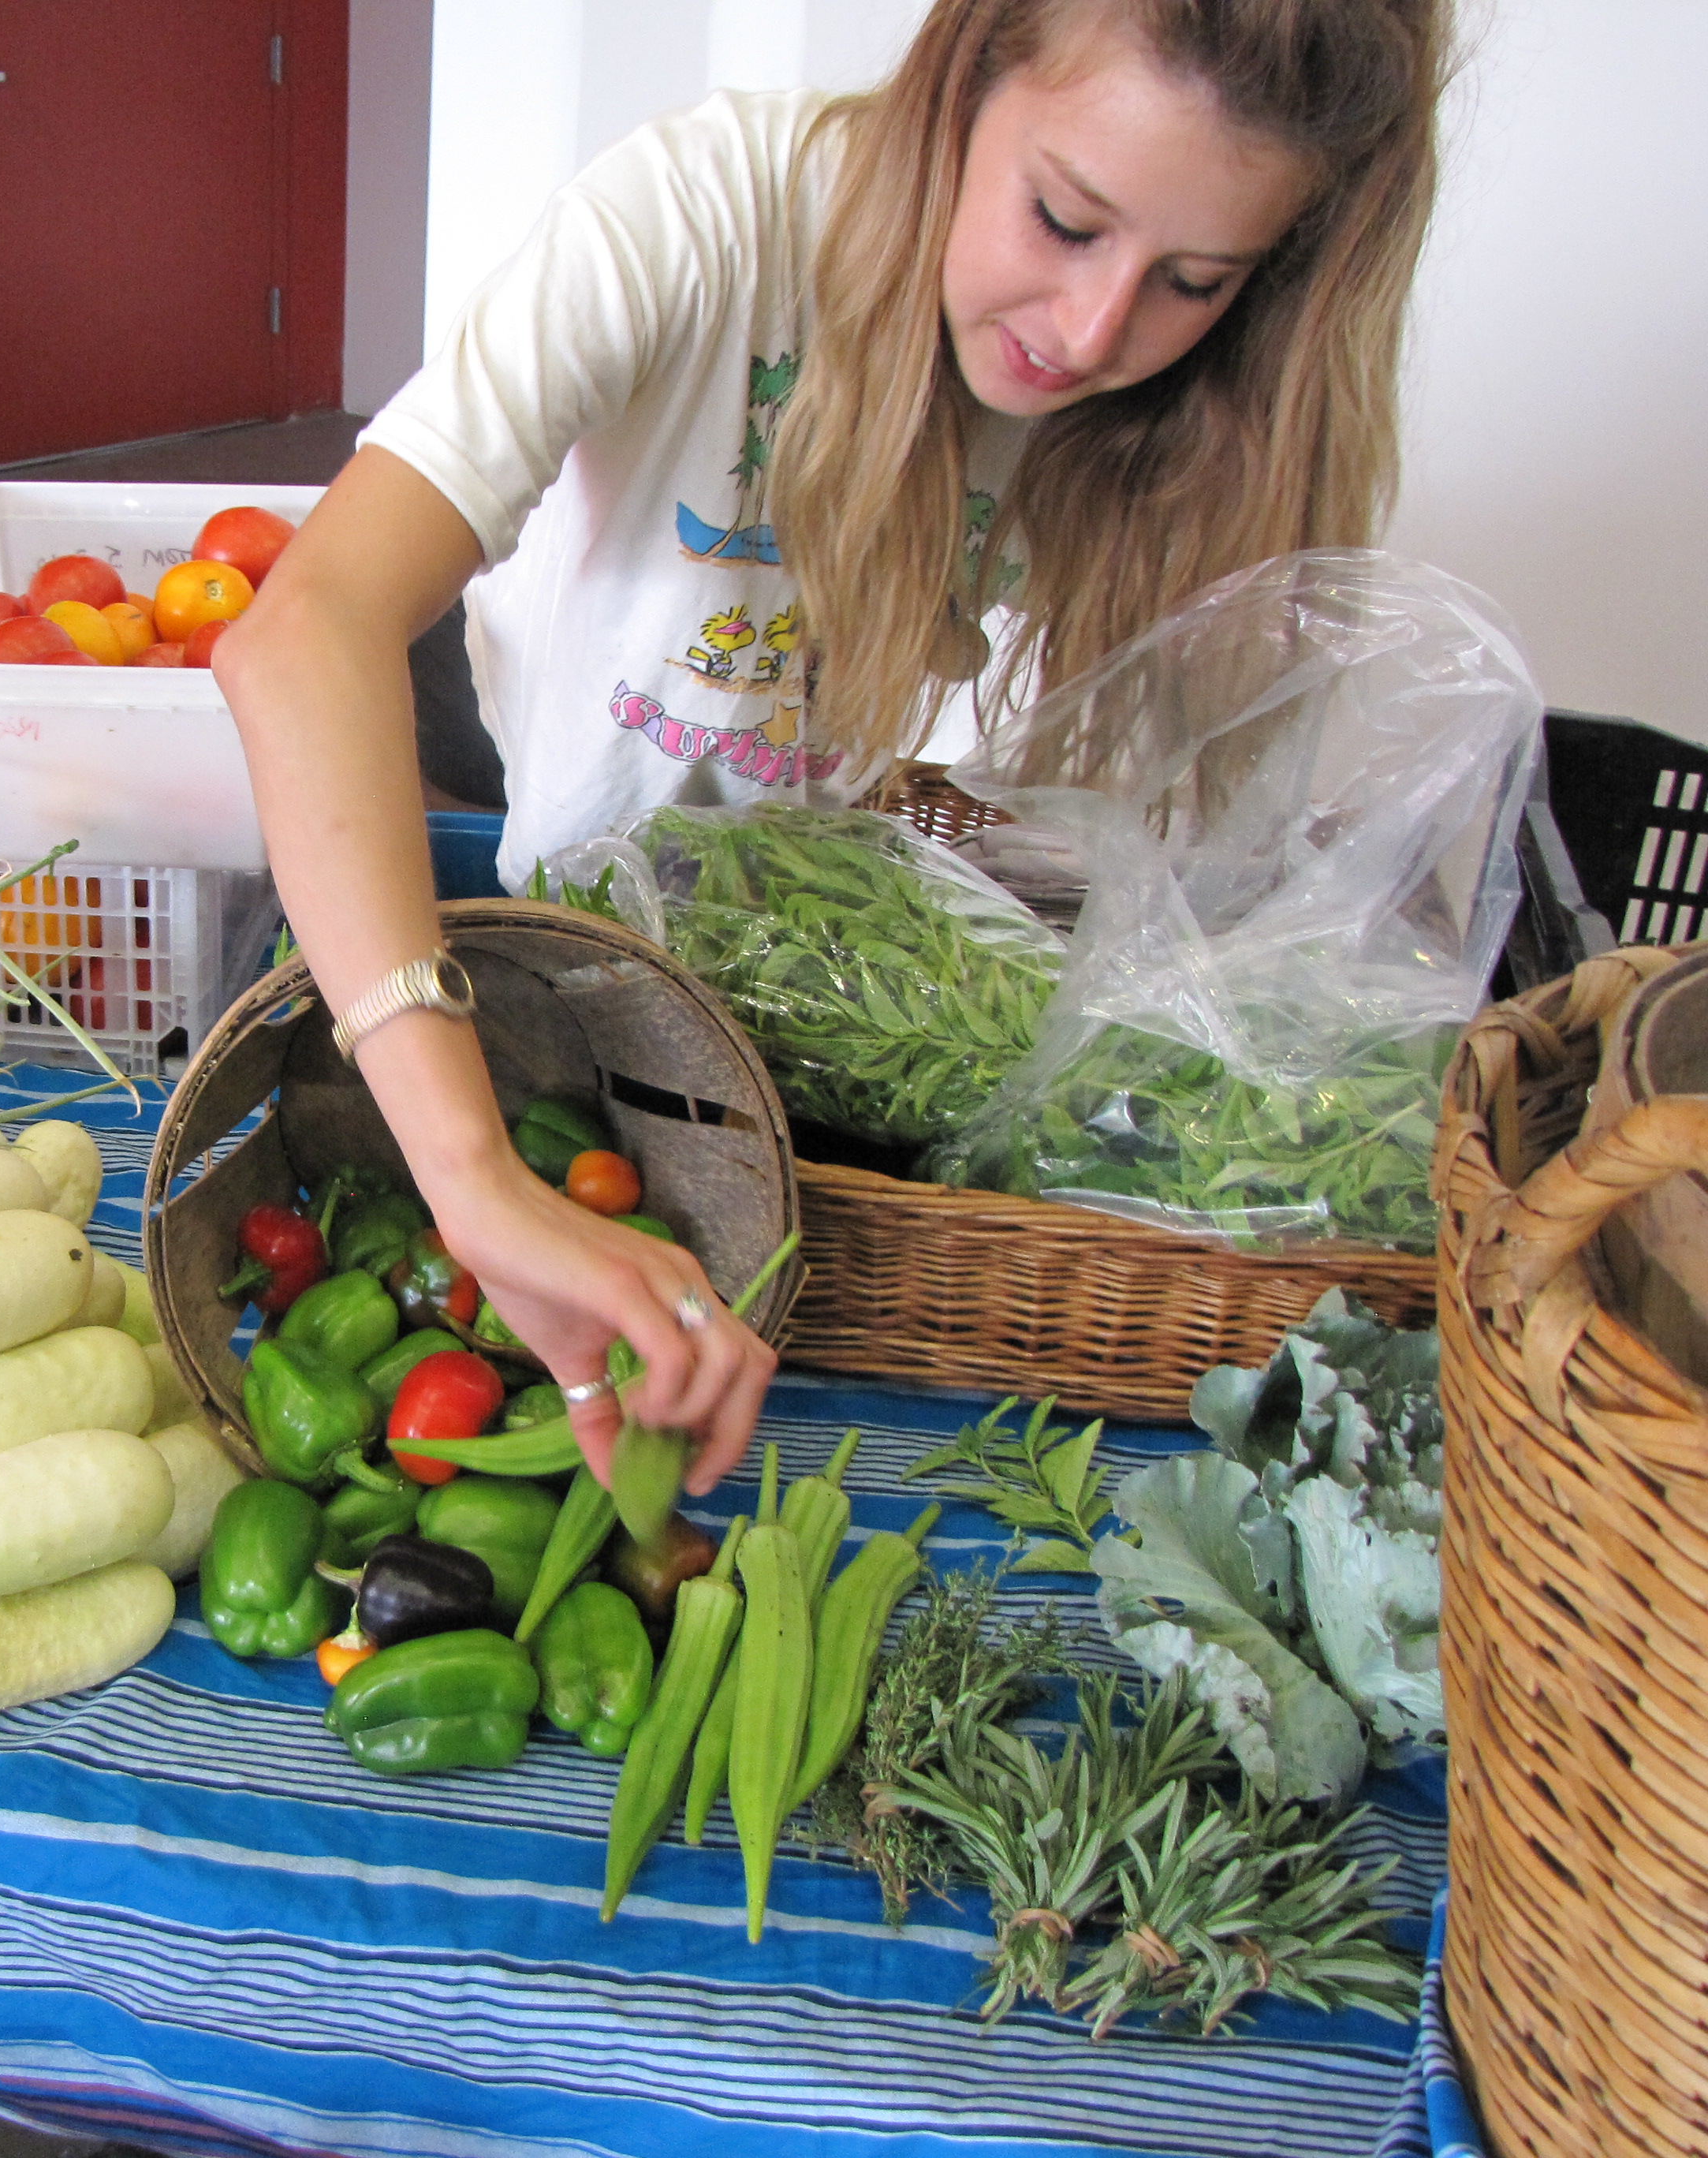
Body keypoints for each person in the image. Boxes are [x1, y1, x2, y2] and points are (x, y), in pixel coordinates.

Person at [212, 0, 1447, 1488]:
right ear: (960, 83)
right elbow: (301, 635)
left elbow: (1169, 845)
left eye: (1194, 280)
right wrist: (471, 1178)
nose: (1092, 332)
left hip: (822, 987)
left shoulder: (1204, 415)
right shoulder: (705, 217)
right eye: (1062, 220)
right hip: (559, 909)